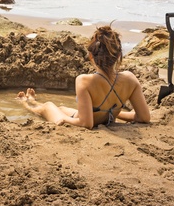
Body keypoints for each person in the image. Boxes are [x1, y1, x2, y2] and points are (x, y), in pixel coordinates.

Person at [16, 25, 150, 129]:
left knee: (48, 106)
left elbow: (86, 123)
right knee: (62, 109)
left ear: (91, 56)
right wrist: (115, 111)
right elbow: (144, 117)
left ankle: (26, 103)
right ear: (119, 55)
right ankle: (33, 101)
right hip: (102, 117)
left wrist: (64, 120)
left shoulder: (84, 81)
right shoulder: (130, 79)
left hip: (85, 119)